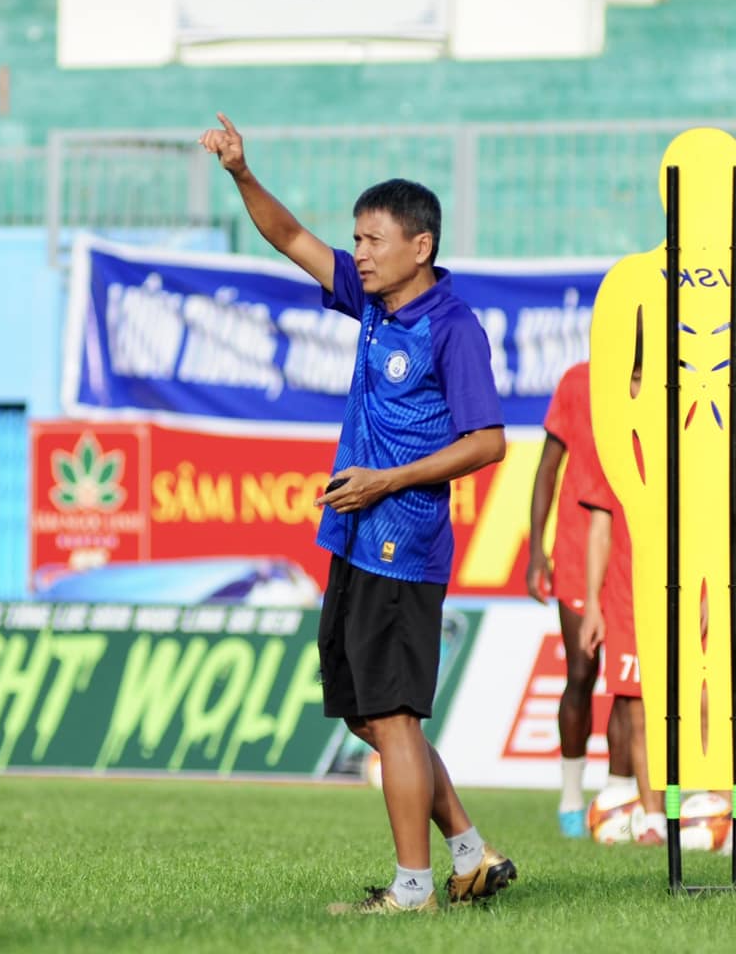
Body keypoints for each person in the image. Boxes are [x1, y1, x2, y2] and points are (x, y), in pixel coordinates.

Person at [199, 113, 516, 914]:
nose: (359, 254)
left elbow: (488, 443)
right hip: (352, 538)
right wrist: (241, 172)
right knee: (373, 722)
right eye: (358, 240)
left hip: (403, 547)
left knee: (391, 715)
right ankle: (471, 854)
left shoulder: (454, 329)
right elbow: (290, 237)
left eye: (373, 240)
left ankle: (414, 889)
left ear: (422, 247)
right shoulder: (373, 303)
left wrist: (386, 481)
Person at [527, 361, 633, 837]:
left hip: (637, 552)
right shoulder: (578, 381)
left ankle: (618, 797)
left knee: (632, 687)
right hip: (576, 546)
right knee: (582, 672)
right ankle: (571, 798)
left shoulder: (677, 381)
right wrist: (536, 551)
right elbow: (548, 466)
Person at [578, 364, 667, 845]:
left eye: (647, 376)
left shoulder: (695, 436)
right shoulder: (612, 445)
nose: (641, 387)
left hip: (692, 591)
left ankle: (708, 806)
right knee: (636, 708)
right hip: (631, 596)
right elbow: (600, 529)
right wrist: (593, 603)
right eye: (633, 377)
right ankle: (654, 819)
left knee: (703, 703)